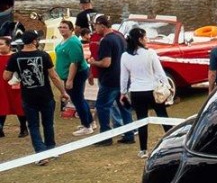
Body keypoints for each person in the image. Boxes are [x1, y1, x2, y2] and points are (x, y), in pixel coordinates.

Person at [3, 30, 67, 162]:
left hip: (28, 96)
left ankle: (40, 153)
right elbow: (53, 76)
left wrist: (16, 73)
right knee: (48, 124)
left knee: (33, 126)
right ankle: (51, 149)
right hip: (45, 95)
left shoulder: (15, 57)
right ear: (34, 41)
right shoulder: (43, 55)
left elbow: (6, 76)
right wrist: (63, 92)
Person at [119, 26, 169, 159]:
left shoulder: (125, 56)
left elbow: (124, 77)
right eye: (145, 37)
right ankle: (171, 143)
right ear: (140, 39)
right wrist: (167, 86)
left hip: (136, 92)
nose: (147, 39)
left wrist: (123, 92)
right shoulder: (150, 53)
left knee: (142, 120)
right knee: (163, 116)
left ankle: (143, 150)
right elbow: (160, 72)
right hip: (152, 90)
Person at [88, 15, 135, 144]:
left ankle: (106, 137)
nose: (94, 28)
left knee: (102, 106)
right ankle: (129, 134)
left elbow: (106, 63)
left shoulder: (106, 41)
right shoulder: (120, 37)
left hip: (110, 80)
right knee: (124, 106)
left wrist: (93, 62)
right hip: (122, 78)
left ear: (102, 26)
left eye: (95, 26)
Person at [54, 20, 94, 136]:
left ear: (71, 29)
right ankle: (89, 121)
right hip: (67, 73)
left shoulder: (72, 42)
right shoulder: (64, 40)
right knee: (80, 98)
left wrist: (70, 79)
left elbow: (75, 62)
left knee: (77, 99)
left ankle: (87, 126)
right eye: (60, 27)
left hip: (76, 74)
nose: (62, 29)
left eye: (65, 27)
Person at [0, 35, 28, 138]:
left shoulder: (16, 57)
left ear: (8, 46)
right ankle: (0, 128)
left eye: (1, 44)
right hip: (1, 86)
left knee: (18, 106)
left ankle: (23, 128)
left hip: (14, 86)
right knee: (1, 106)